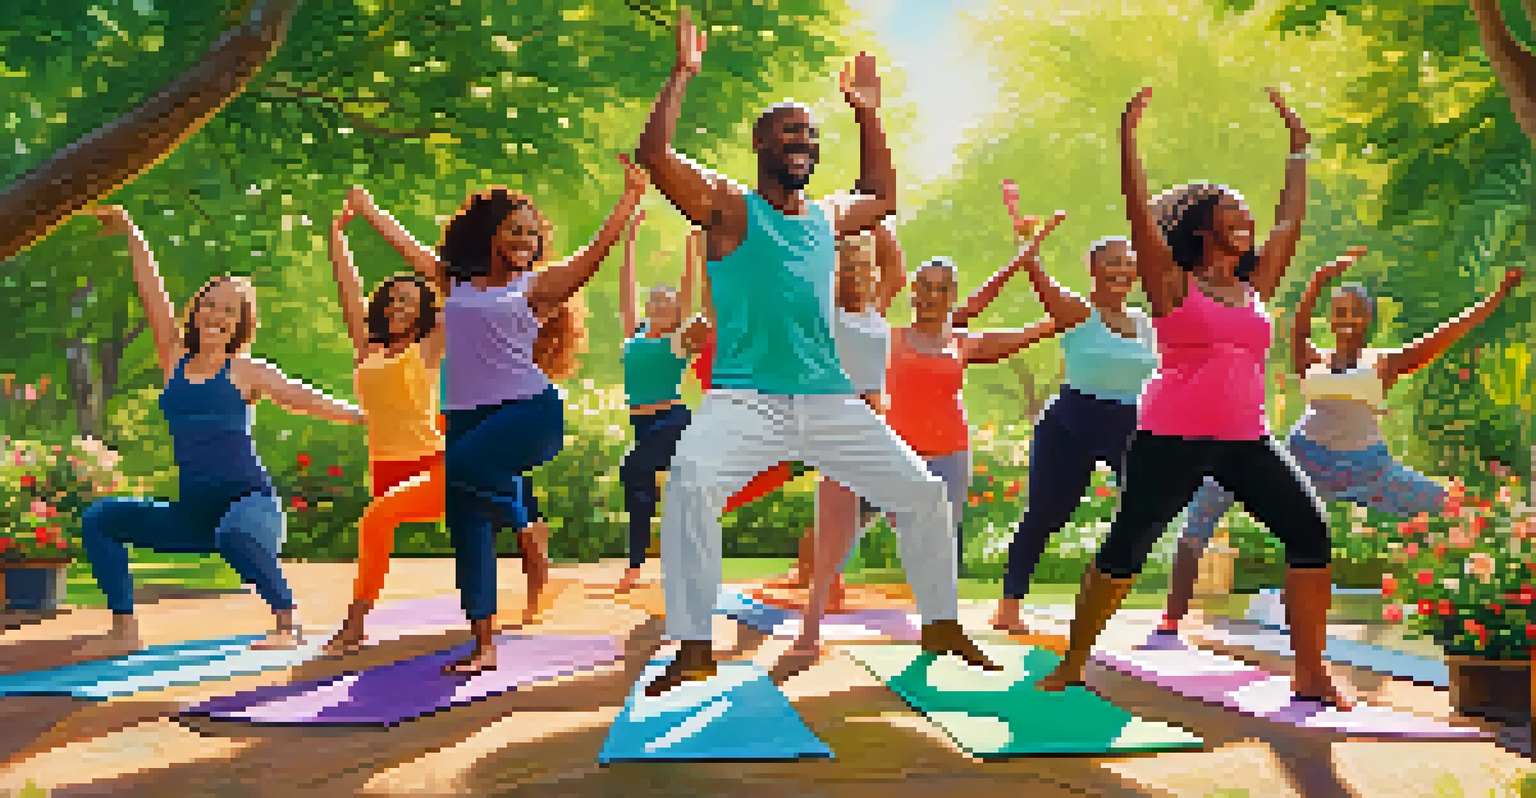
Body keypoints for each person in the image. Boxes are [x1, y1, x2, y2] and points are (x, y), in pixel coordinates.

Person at [636, 8, 999, 697]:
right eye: (789, 131)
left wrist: (866, 114)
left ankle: (943, 623)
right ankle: (691, 645)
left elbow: (882, 195)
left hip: (830, 400)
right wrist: (682, 73)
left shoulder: (827, 218)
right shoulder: (731, 208)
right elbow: (655, 158)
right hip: (745, 399)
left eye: (810, 132)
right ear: (761, 144)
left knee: (922, 495)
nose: (802, 140)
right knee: (689, 488)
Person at [1034, 86, 1353, 710]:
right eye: (1232, 211)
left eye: (1246, 212)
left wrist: (1298, 151)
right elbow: (1139, 217)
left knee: (1309, 532)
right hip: (1171, 438)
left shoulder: (1255, 284)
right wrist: (1128, 140)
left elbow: (1290, 222)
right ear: (1204, 227)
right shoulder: (1172, 284)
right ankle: (1074, 661)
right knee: (1126, 547)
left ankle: (1310, 672)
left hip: (1245, 439)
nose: (1247, 218)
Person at [347, 157, 647, 674]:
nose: (525, 241)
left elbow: (593, 257)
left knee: (461, 474)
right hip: (465, 418)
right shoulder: (454, 283)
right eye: (514, 231)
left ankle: (525, 528)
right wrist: (368, 210)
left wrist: (627, 201)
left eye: (532, 234)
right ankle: (483, 644)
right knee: (466, 523)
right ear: (488, 235)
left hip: (528, 414)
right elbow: (408, 247)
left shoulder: (537, 287)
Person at [1154, 252, 1525, 637]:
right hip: (1303, 462)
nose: (1345, 320)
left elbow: (1447, 333)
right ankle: (1172, 615)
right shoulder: (1310, 357)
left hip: (1369, 469)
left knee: (1454, 509)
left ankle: (1484, 606)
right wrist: (1319, 280)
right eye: (1339, 312)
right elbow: (1298, 329)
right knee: (1211, 494)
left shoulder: (1385, 362)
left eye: (1354, 313)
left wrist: (1496, 298)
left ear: (1368, 319)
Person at [80, 205, 366, 652]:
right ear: (195, 313)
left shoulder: (245, 371)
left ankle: (287, 622)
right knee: (102, 518)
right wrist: (131, 229)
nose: (216, 314)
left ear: (239, 324)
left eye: (229, 311)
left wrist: (360, 415)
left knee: (233, 533)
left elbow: (301, 397)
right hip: (194, 515)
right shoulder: (173, 358)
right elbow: (149, 287)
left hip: (250, 508)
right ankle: (125, 629)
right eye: (209, 305)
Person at [792, 212, 1068, 654]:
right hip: (886, 452)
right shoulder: (887, 334)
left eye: (942, 289)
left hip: (948, 457)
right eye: (925, 287)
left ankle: (938, 630)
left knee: (937, 550)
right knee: (834, 539)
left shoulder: (962, 342)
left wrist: (1040, 268)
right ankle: (811, 623)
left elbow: (1036, 330)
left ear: (950, 296)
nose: (932, 296)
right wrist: (876, 216)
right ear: (913, 292)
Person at [988, 226, 1159, 634]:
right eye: (1112, 262)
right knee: (1047, 515)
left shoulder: (1144, 322)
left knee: (1147, 510)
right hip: (1070, 422)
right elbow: (1041, 282)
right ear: (1093, 270)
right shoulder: (1078, 313)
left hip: (1127, 424)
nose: (1122, 269)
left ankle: (1104, 593)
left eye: (1128, 262)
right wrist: (1028, 243)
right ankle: (1009, 605)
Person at [319, 194, 449, 656]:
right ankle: (527, 528)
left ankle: (353, 626)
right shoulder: (368, 349)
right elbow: (348, 290)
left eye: (410, 301)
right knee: (377, 534)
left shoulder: (431, 346)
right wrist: (337, 240)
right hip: (386, 466)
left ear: (425, 311)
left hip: (434, 464)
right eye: (393, 299)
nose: (399, 306)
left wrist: (376, 217)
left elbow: (444, 281)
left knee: (376, 520)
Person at [616, 213, 710, 593]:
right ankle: (638, 564)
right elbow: (627, 286)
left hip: (672, 420)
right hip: (643, 425)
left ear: (674, 314)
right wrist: (629, 239)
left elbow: (689, 296)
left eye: (665, 302)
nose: (657, 303)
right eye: (653, 299)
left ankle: (659, 562)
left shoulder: (676, 341)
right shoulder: (634, 333)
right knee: (641, 488)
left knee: (633, 469)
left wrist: (693, 249)